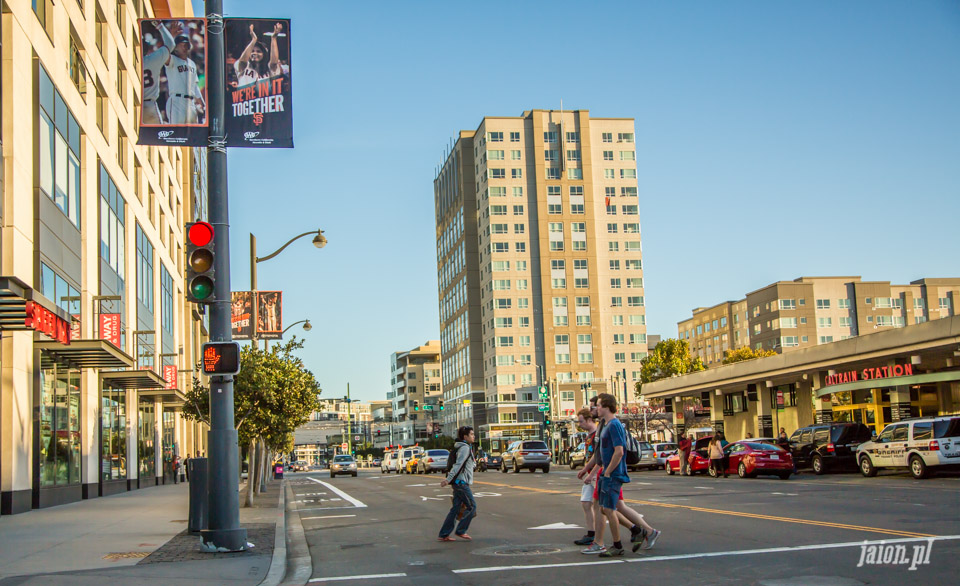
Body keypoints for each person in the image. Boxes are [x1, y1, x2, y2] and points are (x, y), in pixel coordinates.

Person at [577, 396, 660, 554]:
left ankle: (618, 545)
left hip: (612, 473)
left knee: (608, 509)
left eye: (599, 406)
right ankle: (638, 531)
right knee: (606, 508)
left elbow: (619, 451)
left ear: (607, 407)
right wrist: (586, 469)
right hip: (605, 472)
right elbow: (599, 454)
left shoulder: (614, 425)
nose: (596, 409)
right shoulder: (604, 425)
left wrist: (607, 472)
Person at [438, 426, 477, 542]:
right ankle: (461, 530)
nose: (474, 436)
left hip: (459, 482)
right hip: (461, 483)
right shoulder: (464, 448)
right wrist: (448, 479)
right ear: (465, 437)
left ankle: (444, 534)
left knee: (455, 509)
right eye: (471, 434)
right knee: (472, 506)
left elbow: (468, 464)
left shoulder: (465, 447)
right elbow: (458, 465)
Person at [141, 21, 178, 124]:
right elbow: (171, 44)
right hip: (149, 105)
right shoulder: (152, 59)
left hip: (133, 104)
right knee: (158, 136)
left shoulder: (129, 63)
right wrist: (160, 26)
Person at [165, 32, 205, 125]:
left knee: (193, 135)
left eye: (186, 45)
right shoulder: (172, 60)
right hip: (176, 101)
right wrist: (171, 37)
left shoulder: (192, 64)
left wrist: (202, 103)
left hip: (191, 103)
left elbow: (195, 86)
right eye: (181, 45)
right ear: (175, 48)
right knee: (176, 133)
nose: (184, 47)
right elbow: (165, 53)